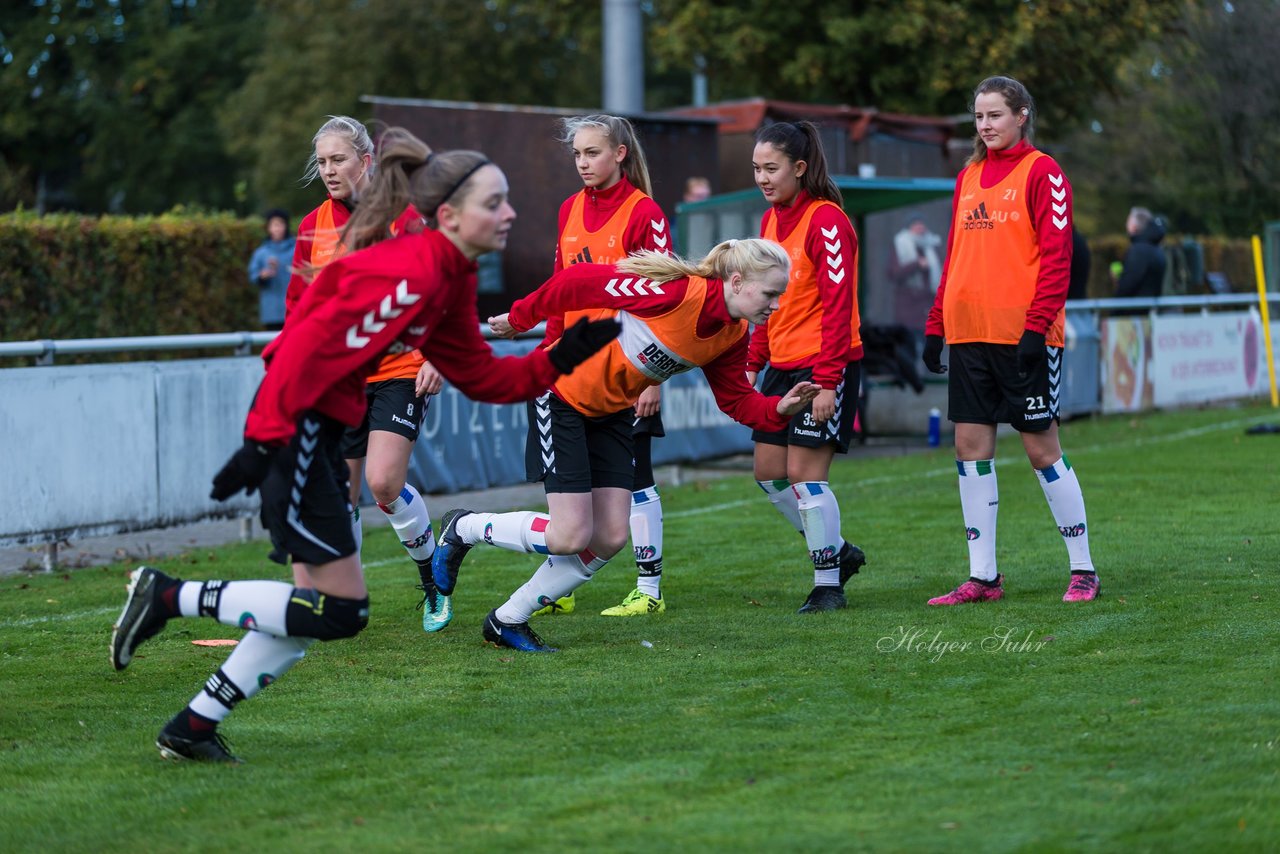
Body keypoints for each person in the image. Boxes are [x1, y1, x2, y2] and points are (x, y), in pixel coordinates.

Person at [108, 127, 621, 761]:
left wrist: (564, 353)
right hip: (300, 432)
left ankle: (192, 727)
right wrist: (268, 440)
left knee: (313, 613)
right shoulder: (410, 271)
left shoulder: (447, 276)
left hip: (309, 428)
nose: (511, 213)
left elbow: (486, 377)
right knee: (338, 611)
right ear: (451, 215)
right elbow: (306, 342)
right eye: (495, 202)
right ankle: (166, 595)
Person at [431, 239, 822, 652]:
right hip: (561, 396)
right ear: (737, 282)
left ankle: (507, 620)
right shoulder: (678, 293)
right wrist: (520, 317)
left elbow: (736, 400)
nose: (776, 305)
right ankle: (463, 527)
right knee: (569, 536)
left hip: (613, 414)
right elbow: (576, 281)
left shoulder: (731, 333)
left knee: (610, 537)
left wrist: (778, 407)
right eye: (770, 293)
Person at [921, 75, 1099, 606]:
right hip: (970, 335)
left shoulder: (1043, 171)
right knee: (969, 449)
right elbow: (955, 258)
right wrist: (937, 324)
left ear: (1022, 114)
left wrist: (1036, 325)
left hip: (1024, 337)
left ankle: (1083, 569)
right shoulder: (968, 176)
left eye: (994, 114)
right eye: (978, 116)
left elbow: (1057, 256)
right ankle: (983, 579)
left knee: (1042, 450)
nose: (985, 125)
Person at [288, 116, 449, 634]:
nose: (329, 170)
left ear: (365, 160)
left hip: (401, 368)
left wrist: (436, 356)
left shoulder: (402, 217)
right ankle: (342, 604)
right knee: (340, 495)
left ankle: (432, 579)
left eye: (338, 159)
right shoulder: (311, 228)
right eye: (322, 162)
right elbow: (299, 310)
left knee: (383, 483)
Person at [542, 114, 674, 618]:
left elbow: (662, 301)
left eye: (592, 153)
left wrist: (652, 377)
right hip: (572, 379)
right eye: (577, 154)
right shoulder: (568, 209)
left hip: (626, 376)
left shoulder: (646, 213)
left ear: (619, 153)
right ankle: (560, 584)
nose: (582, 163)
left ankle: (649, 588)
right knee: (569, 488)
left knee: (635, 480)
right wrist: (548, 355)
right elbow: (559, 290)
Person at [746, 120, 868, 614]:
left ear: (799, 168)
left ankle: (827, 583)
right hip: (780, 363)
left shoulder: (828, 221)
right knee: (768, 473)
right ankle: (837, 550)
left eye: (771, 168)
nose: (762, 177)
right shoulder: (768, 222)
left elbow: (839, 307)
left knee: (803, 475)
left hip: (823, 364)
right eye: (756, 168)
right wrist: (753, 362)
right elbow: (763, 303)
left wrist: (827, 382)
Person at [887, 212, 943, 339]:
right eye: (916, 224)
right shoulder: (900, 245)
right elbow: (894, 273)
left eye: (921, 224)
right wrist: (916, 264)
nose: (919, 227)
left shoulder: (932, 245)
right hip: (908, 306)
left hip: (928, 305)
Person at [247, 209, 294, 331]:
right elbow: (253, 275)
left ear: (286, 226)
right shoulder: (261, 252)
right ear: (268, 228)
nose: (277, 229)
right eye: (273, 225)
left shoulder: (296, 249)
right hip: (271, 310)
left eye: (280, 224)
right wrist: (262, 276)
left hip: (294, 308)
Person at [1113, 206, 1166, 315]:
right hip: (1148, 314)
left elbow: (1128, 285)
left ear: (1134, 226)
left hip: (1133, 317)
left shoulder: (1138, 251)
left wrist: (1115, 309)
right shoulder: (1156, 249)